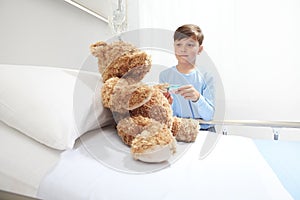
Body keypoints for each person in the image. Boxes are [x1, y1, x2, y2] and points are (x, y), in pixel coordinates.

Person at [159, 24, 215, 130]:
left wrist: (198, 98)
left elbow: (209, 116)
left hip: (203, 129)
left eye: (190, 45)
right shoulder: (165, 76)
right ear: (174, 47)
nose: (183, 49)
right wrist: (165, 103)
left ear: (200, 49)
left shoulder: (206, 77)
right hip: (177, 130)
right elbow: (165, 115)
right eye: (179, 44)